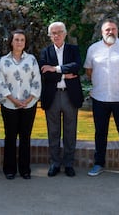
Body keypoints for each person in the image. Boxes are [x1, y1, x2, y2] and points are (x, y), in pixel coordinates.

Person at [84, 18, 119, 178]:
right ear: (102, 32)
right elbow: (88, 70)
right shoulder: (93, 49)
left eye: (113, 29)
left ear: (117, 31)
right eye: (107, 29)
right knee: (100, 132)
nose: (110, 32)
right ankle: (99, 163)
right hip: (100, 97)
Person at [39, 22, 84, 177]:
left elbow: (77, 66)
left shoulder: (73, 49)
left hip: (70, 95)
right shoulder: (45, 52)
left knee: (70, 131)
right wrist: (64, 74)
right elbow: (45, 74)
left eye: (59, 32)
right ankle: (55, 163)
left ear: (65, 34)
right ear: (50, 36)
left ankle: (69, 163)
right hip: (52, 96)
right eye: (53, 33)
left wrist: (56, 69)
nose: (56, 35)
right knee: (53, 131)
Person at [0, 29, 41, 180]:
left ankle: (24, 169)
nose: (19, 42)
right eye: (16, 40)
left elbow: (36, 81)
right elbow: (1, 83)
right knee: (10, 136)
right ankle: (9, 169)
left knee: (25, 137)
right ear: (11, 42)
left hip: (29, 105)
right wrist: (14, 101)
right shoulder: (3, 61)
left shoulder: (32, 60)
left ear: (25, 42)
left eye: (22, 40)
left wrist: (27, 100)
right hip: (9, 105)